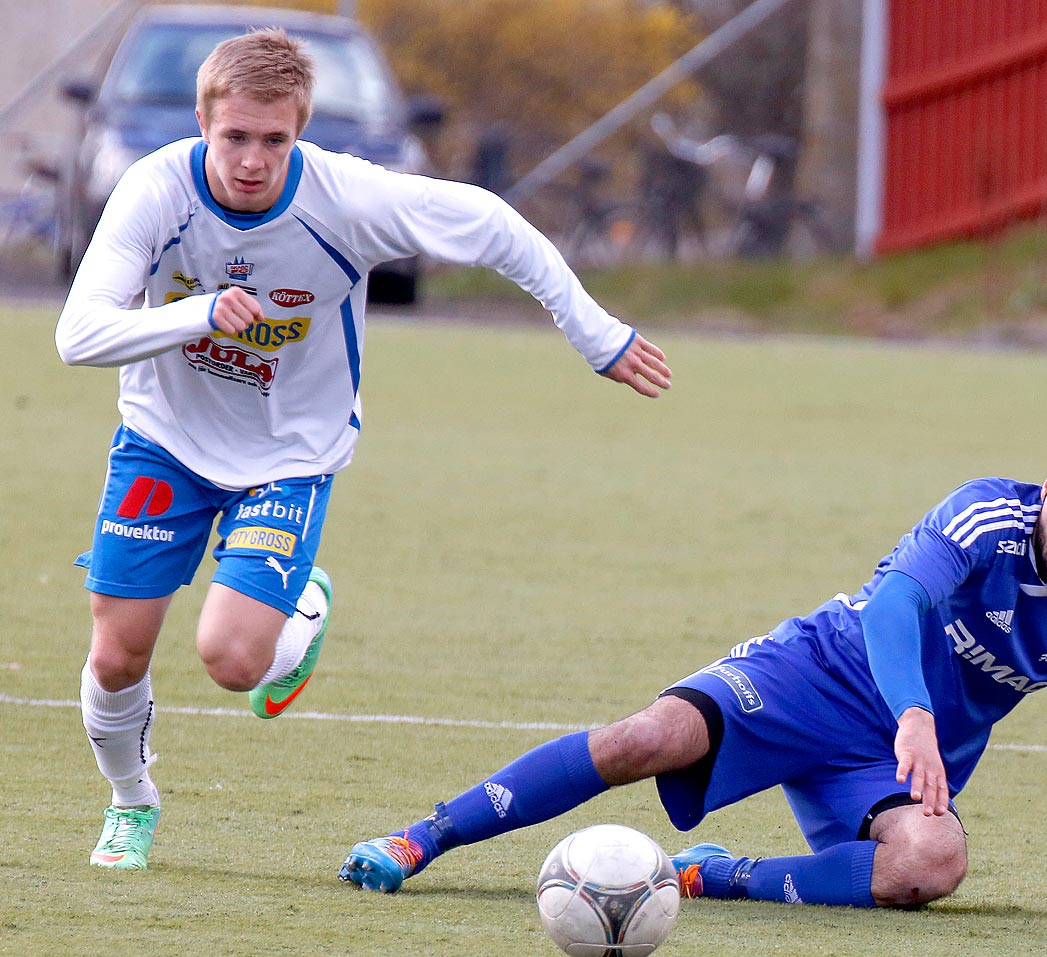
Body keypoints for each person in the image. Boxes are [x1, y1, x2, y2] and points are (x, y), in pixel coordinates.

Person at [54, 28, 672, 873]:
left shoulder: (347, 199)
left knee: (234, 663)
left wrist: (595, 334)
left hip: (289, 452)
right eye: (234, 137)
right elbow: (78, 334)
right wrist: (201, 314)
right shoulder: (153, 188)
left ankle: (296, 607)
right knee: (118, 653)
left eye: (275, 141)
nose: (251, 161)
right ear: (201, 120)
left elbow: (490, 223)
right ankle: (132, 801)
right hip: (164, 441)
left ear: (300, 131)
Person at [340, 423, 1047, 924]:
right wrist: (913, 713)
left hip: (886, 758)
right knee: (645, 738)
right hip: (816, 673)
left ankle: (718, 879)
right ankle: (423, 838)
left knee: (932, 864)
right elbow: (901, 603)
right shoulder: (984, 515)